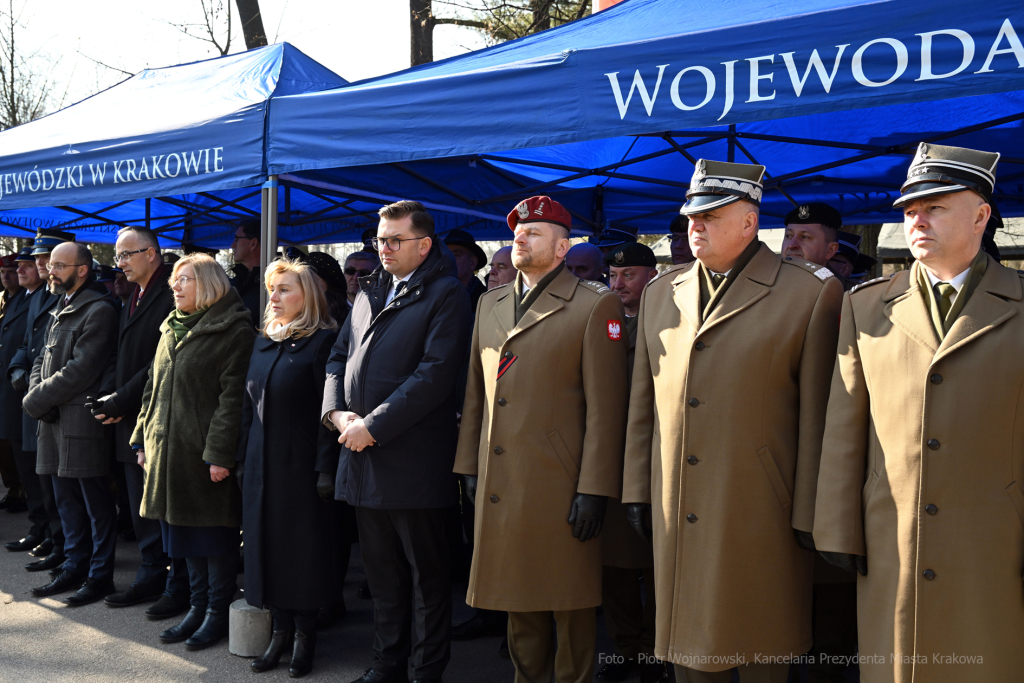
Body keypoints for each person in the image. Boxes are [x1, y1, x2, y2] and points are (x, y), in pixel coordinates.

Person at [621, 160, 843, 683]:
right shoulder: (662, 292)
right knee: (688, 652)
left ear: (749, 222)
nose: (694, 225)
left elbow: (820, 416)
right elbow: (643, 404)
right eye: (691, 216)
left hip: (760, 507)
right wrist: (637, 488)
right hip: (676, 504)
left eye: (711, 215)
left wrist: (810, 510)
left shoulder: (810, 293)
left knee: (762, 644)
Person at [813, 143, 1024, 682]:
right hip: (892, 538)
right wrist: (836, 528)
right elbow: (845, 425)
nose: (917, 221)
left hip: (992, 541)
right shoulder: (866, 306)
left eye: (935, 207)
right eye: (910, 210)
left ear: (980, 215)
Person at [455, 195, 629, 683]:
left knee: (569, 603)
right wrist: (468, 465)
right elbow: (476, 393)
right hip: (502, 479)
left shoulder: (595, 304)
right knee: (518, 597)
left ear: (561, 247)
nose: (521, 237)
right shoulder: (490, 303)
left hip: (559, 482)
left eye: (534, 232)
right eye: (518, 231)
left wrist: (595, 488)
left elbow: (607, 408)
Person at [322, 200, 472, 683]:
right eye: (379, 240)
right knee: (381, 576)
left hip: (412, 463)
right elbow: (338, 357)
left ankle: (425, 671)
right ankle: (386, 664)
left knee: (426, 579)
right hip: (361, 454)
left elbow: (435, 374)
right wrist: (335, 413)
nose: (383, 248)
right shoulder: (370, 292)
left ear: (424, 245)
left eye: (394, 240)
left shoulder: (446, 294)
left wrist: (374, 426)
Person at [132, 254, 255, 650]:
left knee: (213, 539)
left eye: (184, 279)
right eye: (175, 279)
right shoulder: (172, 324)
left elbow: (233, 400)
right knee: (184, 536)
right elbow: (152, 387)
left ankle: (216, 612)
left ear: (208, 283)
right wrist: (141, 438)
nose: (175, 286)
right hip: (168, 453)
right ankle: (197, 606)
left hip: (203, 458)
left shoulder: (235, 330)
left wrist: (219, 454)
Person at [239, 258, 340, 678]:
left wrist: (324, 469)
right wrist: (242, 460)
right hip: (260, 466)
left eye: (284, 289)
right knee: (267, 550)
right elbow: (248, 406)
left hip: (300, 468)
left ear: (308, 296)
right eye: (271, 289)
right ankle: (279, 631)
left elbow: (329, 412)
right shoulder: (264, 341)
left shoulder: (323, 342)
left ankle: (304, 636)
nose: (274, 297)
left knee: (301, 554)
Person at [88, 227, 191, 619]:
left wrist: (121, 398)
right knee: (140, 506)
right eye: (118, 256)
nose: (120, 263)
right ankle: (151, 573)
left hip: (158, 415)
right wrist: (108, 394)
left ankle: (177, 583)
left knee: (165, 507)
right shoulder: (133, 293)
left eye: (127, 254)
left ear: (151, 254)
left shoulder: (172, 293)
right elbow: (120, 352)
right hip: (129, 416)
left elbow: (158, 363)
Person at [23, 241, 120, 607]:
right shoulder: (61, 304)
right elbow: (40, 359)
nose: (51, 270)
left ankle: (100, 576)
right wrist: (37, 395)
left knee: (95, 504)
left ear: (82, 270)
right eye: (51, 264)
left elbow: (81, 369)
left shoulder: (99, 309)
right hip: (53, 418)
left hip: (80, 422)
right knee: (65, 501)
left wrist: (37, 399)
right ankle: (74, 566)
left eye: (59, 265)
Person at [598, 242, 663, 683]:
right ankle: (625, 651)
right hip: (611, 457)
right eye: (613, 276)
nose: (618, 284)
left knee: (657, 565)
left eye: (629, 275)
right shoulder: (601, 319)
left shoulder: (668, 318)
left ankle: (655, 651)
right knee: (616, 566)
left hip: (655, 457)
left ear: (651, 276)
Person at [6, 237, 66, 566]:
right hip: (30, 393)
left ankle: (59, 540)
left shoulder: (58, 295)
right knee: (35, 472)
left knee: (53, 478)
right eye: (38, 259)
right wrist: (17, 366)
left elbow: (52, 352)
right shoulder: (36, 296)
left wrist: (31, 381)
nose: (41, 265)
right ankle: (44, 530)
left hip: (48, 397)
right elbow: (26, 345)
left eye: (45, 259)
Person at [0, 252, 27, 513]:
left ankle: (23, 490)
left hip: (14, 380)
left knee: (14, 440)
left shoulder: (26, 300)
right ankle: (12, 488)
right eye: (3, 272)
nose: (7, 276)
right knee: (3, 442)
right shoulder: (2, 299)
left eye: (11, 271)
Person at [229, 218, 264, 326]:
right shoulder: (235, 282)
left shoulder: (273, 283)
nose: (232, 245)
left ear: (253, 243)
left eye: (237, 239)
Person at [444, 229, 488, 311]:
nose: (447, 260)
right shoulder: (436, 295)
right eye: (445, 255)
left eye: (455, 255)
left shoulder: (486, 300)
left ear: (472, 262)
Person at [305, 251, 350, 325]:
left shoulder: (344, 319)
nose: (307, 284)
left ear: (329, 284)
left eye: (314, 280)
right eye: (305, 279)